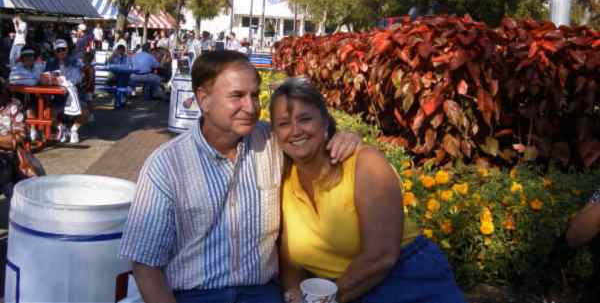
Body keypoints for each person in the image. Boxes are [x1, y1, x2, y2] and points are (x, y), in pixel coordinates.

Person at [119, 50, 361, 303]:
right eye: (237, 96)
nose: (251, 106)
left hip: (262, 293)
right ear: (204, 99)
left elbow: (309, 138)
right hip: (195, 295)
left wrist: (341, 137)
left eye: (255, 95)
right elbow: (146, 264)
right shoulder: (166, 166)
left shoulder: (271, 141)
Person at [270, 78, 466, 303]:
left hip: (405, 278)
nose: (295, 131)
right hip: (337, 291)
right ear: (274, 133)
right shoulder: (283, 178)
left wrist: (327, 299)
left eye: (305, 119)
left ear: (325, 123)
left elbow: (381, 256)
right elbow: (289, 261)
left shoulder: (364, 163)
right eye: (283, 123)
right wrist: (295, 296)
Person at [45, 39, 85, 144]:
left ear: (67, 50)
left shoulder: (75, 61)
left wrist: (62, 82)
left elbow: (77, 78)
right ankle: (61, 128)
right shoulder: (50, 62)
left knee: (85, 111)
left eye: (63, 49)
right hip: (58, 98)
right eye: (58, 50)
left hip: (73, 96)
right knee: (46, 113)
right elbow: (46, 76)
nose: (61, 51)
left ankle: (73, 130)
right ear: (54, 52)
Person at [9, 46, 45, 141]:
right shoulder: (17, 68)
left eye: (31, 56)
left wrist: (33, 77)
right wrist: (34, 77)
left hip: (34, 96)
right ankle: (30, 130)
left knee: (35, 103)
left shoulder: (37, 66)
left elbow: (36, 79)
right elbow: (15, 79)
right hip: (19, 97)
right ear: (22, 58)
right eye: (26, 56)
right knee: (28, 103)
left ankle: (33, 130)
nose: (29, 58)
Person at [80, 52, 96, 122]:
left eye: (83, 57)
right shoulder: (83, 67)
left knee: (89, 101)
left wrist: (88, 86)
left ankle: (91, 115)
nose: (82, 58)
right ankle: (86, 114)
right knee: (85, 101)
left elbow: (91, 78)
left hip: (88, 87)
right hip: (83, 86)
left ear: (86, 59)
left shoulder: (90, 68)